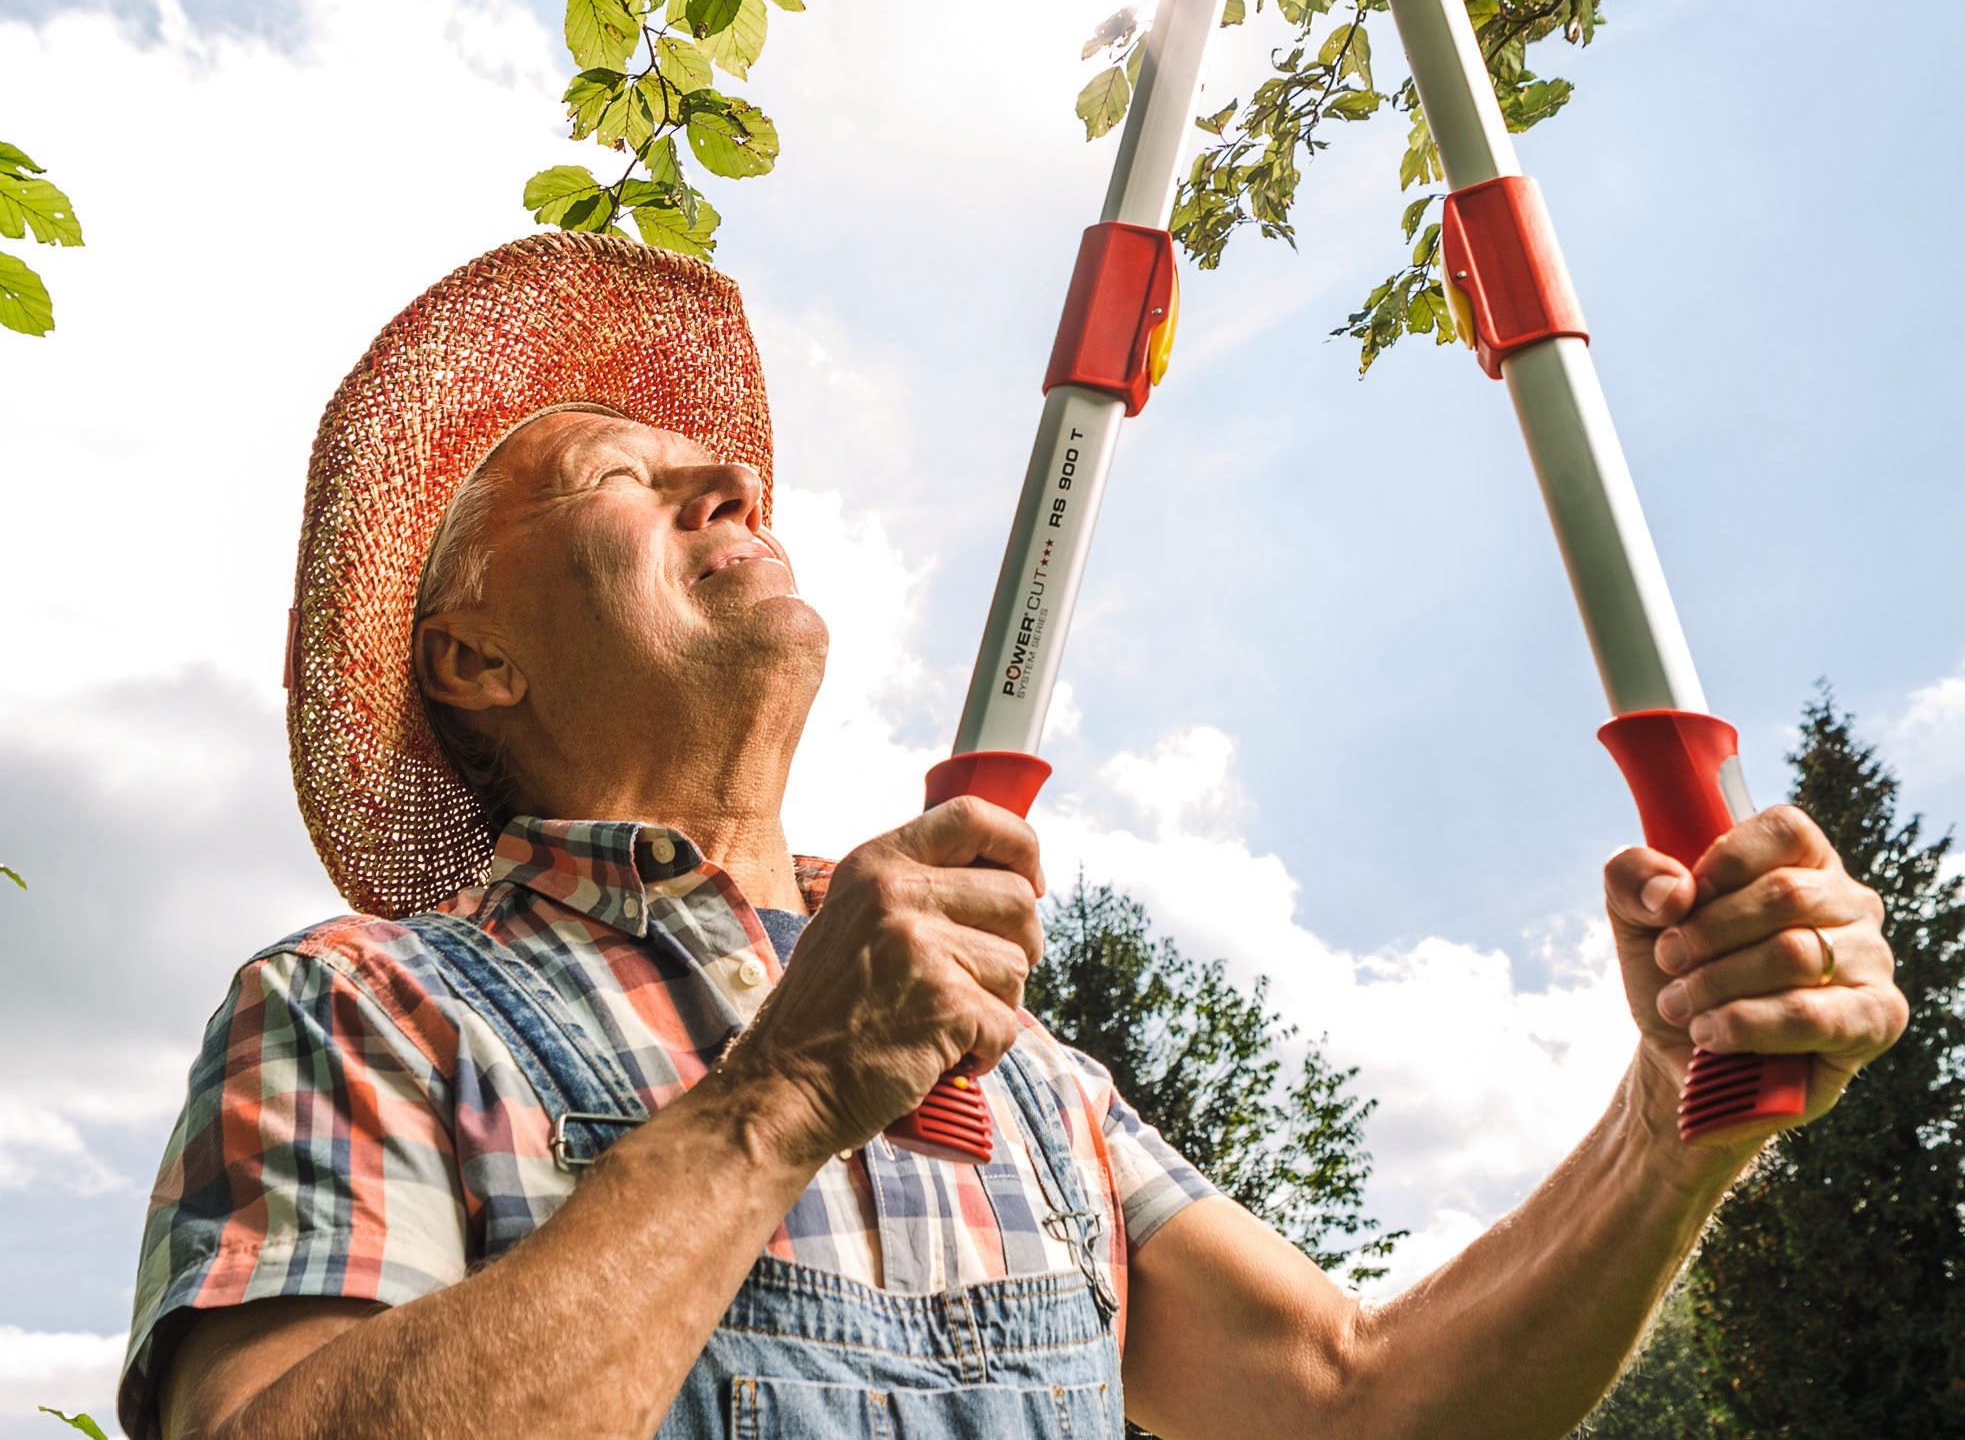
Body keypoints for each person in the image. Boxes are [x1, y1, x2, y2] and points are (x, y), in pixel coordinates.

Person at [122, 232, 1907, 1440]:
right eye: (616, 470)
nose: (727, 482)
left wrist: (1670, 1117)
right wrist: (777, 1101)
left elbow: (1356, 1400)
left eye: (729, 470)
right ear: (473, 651)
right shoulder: (359, 1009)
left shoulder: (1020, 1068)